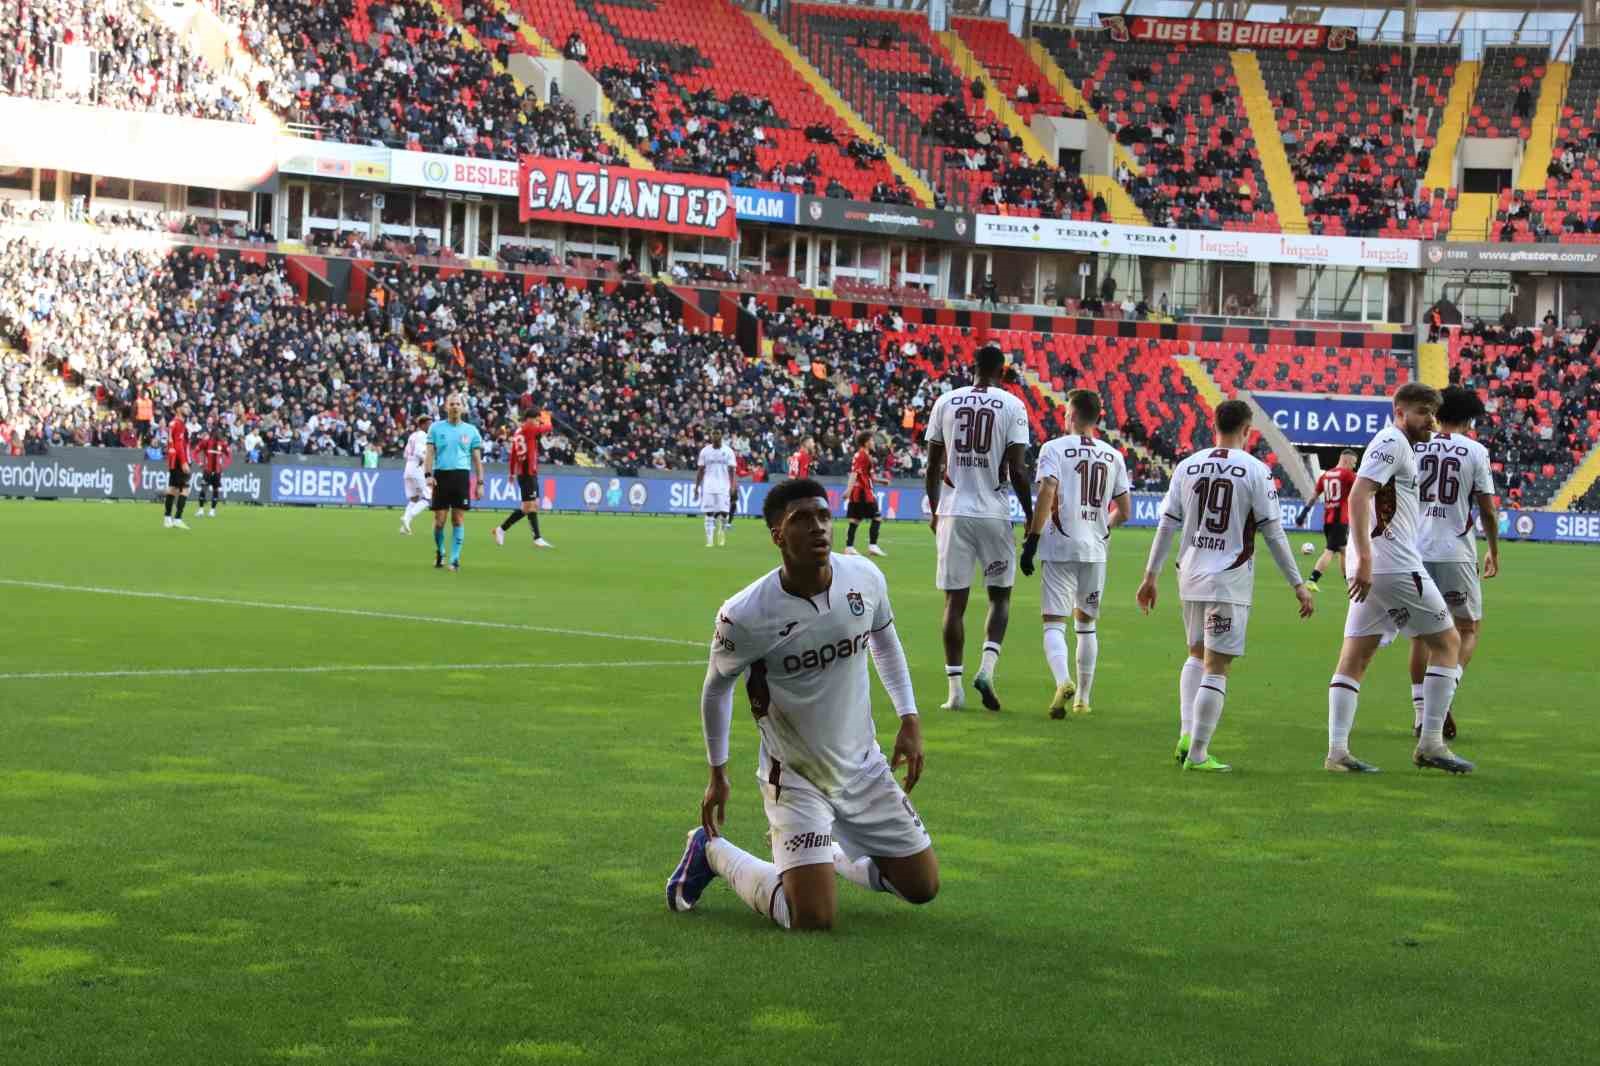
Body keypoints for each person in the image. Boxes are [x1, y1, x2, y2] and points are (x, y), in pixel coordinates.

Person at [664, 478, 938, 930]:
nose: (818, 527)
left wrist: (909, 717)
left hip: (863, 765)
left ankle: (823, 855)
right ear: (777, 534)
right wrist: (718, 773)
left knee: (922, 887)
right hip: (795, 776)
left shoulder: (864, 577)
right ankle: (710, 852)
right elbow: (717, 688)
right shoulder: (744, 614)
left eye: (823, 516)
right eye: (801, 519)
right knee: (811, 917)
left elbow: (885, 641)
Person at [1135, 400, 1315, 772]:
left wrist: (1150, 576)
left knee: (1195, 655)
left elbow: (1166, 524)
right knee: (1217, 667)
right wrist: (1298, 583)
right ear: (1247, 430)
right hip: (1228, 579)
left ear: (1213, 424)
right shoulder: (1255, 470)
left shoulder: (1187, 465)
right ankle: (1199, 753)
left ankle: (1187, 734)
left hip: (1191, 575)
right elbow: (1274, 533)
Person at [1326, 383, 1473, 775]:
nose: (1430, 420)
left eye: (1433, 412)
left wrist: (1361, 558)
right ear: (1400, 410)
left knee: (1355, 657)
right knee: (1448, 643)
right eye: (1423, 411)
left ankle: (1337, 753)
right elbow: (1358, 495)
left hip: (1378, 568)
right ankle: (1431, 744)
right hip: (1392, 565)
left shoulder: (1400, 445)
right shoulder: (1391, 441)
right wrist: (1366, 558)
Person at [923, 344, 1033, 711]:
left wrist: (935, 510)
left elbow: (932, 465)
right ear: (1001, 371)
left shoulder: (945, 401)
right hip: (993, 513)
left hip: (954, 511)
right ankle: (986, 669)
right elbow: (1017, 469)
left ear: (972, 368)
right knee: (999, 596)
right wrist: (1030, 514)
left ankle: (954, 692)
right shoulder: (1013, 405)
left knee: (954, 603)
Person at [1019, 390, 1131, 719]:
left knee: (1054, 623)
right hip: (1095, 549)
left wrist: (1032, 541)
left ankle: (1062, 679)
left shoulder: (1054, 448)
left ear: (1071, 415)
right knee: (1086, 624)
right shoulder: (1114, 456)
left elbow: (1047, 491)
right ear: (1096, 418)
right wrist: (1103, 528)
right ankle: (1082, 698)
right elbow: (1125, 510)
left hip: (1059, 545)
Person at [1410, 386, 1499, 741]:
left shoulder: (1414, 445)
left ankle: (1420, 714)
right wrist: (1494, 549)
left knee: (1421, 635)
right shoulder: (1475, 450)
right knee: (1468, 629)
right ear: (1469, 419)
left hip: (1414, 549)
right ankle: (1442, 696)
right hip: (1455, 551)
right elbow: (1488, 509)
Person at [424, 395, 485, 572]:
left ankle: (455, 559)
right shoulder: (435, 428)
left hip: (461, 476)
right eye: (452, 404)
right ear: (446, 407)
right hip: (441, 476)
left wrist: (480, 483)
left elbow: (477, 460)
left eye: (458, 404)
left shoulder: (471, 430)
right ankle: (440, 551)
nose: (455, 407)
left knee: (458, 519)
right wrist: (428, 474)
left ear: (463, 408)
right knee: (439, 521)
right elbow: (429, 454)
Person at [496, 404, 554, 549]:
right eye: (537, 419)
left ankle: (534, 537)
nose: (537, 422)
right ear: (530, 419)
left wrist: (511, 473)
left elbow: (514, 455)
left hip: (528, 472)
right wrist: (547, 418)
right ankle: (505, 530)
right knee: (529, 506)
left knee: (533, 505)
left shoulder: (519, 431)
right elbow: (547, 428)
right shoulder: (529, 428)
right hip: (527, 474)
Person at [1299, 449, 1359, 591]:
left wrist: (1303, 514)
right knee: (1330, 551)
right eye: (1354, 463)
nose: (1354, 466)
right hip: (1340, 520)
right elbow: (1361, 488)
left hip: (1328, 519)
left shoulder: (1325, 475)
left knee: (1344, 550)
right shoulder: (1348, 475)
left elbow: (1314, 496)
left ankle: (1348, 581)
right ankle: (1312, 579)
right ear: (1346, 460)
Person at [843, 431, 885, 557]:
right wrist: (848, 490)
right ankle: (873, 545)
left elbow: (868, 476)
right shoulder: (863, 455)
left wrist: (881, 481)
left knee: (855, 520)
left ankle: (849, 547)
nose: (874, 443)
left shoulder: (864, 455)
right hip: (863, 492)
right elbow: (855, 474)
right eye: (872, 440)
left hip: (860, 492)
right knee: (877, 517)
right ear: (866, 442)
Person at [696, 431, 738, 548]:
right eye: (714, 439)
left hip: (723, 486)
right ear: (711, 439)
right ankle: (709, 540)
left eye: (718, 439)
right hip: (708, 486)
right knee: (709, 513)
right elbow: (700, 470)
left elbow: (732, 471)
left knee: (724, 514)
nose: (716, 441)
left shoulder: (728, 451)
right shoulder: (705, 451)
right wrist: (696, 487)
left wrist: (733, 486)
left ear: (721, 439)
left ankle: (722, 532)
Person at [399, 414, 432, 535]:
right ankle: (408, 517)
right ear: (422, 425)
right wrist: (428, 459)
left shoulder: (412, 435)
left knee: (414, 498)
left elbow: (405, 454)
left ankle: (404, 526)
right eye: (429, 424)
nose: (431, 426)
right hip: (418, 468)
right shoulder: (423, 435)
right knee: (428, 498)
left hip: (408, 467)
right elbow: (419, 451)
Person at [162, 402, 193, 530]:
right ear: (178, 409)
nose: (189, 409)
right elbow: (179, 445)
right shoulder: (179, 424)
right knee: (185, 489)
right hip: (180, 460)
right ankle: (177, 519)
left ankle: (167, 518)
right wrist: (184, 461)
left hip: (174, 460)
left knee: (173, 489)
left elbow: (172, 444)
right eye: (186, 407)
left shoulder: (173, 423)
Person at [194, 421, 231, 517]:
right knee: (204, 489)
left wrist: (224, 465)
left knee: (216, 490)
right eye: (217, 432)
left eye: (220, 432)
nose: (219, 434)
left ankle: (212, 510)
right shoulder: (206, 442)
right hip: (208, 471)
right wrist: (200, 463)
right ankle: (201, 510)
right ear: (213, 433)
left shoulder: (222, 444)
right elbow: (195, 452)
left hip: (217, 471)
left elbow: (229, 456)